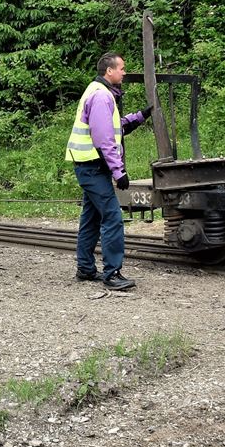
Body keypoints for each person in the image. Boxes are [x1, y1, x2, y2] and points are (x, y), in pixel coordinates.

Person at [66, 52, 153, 291]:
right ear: (109, 71)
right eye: (122, 68)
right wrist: (119, 172)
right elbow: (104, 138)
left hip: (88, 164)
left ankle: (85, 268)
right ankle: (112, 274)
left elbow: (113, 126)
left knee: (91, 218)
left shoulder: (97, 91)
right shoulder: (102, 96)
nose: (124, 72)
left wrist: (139, 117)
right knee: (113, 217)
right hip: (94, 166)